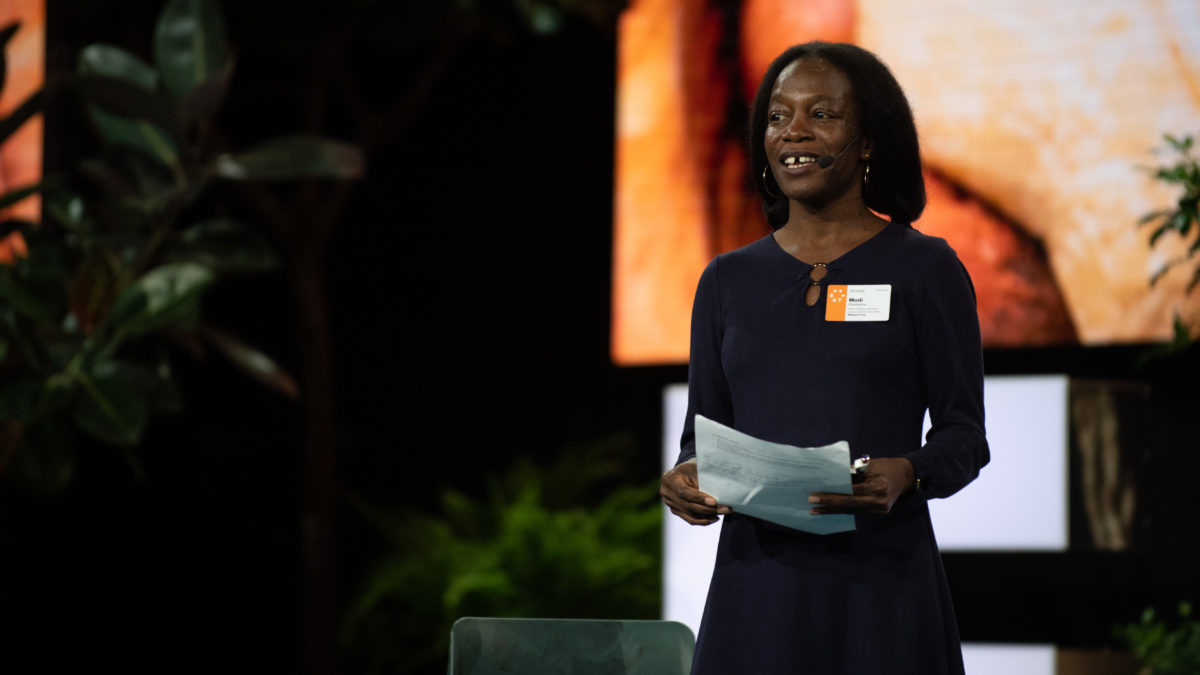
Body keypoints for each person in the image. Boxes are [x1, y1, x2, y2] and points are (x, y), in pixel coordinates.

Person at [659, 42, 989, 674]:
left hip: (882, 589)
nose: (794, 133)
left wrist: (908, 473)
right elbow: (701, 436)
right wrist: (686, 479)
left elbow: (965, 437)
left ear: (867, 140)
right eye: (778, 117)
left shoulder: (925, 268)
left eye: (822, 114)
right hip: (757, 591)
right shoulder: (727, 280)